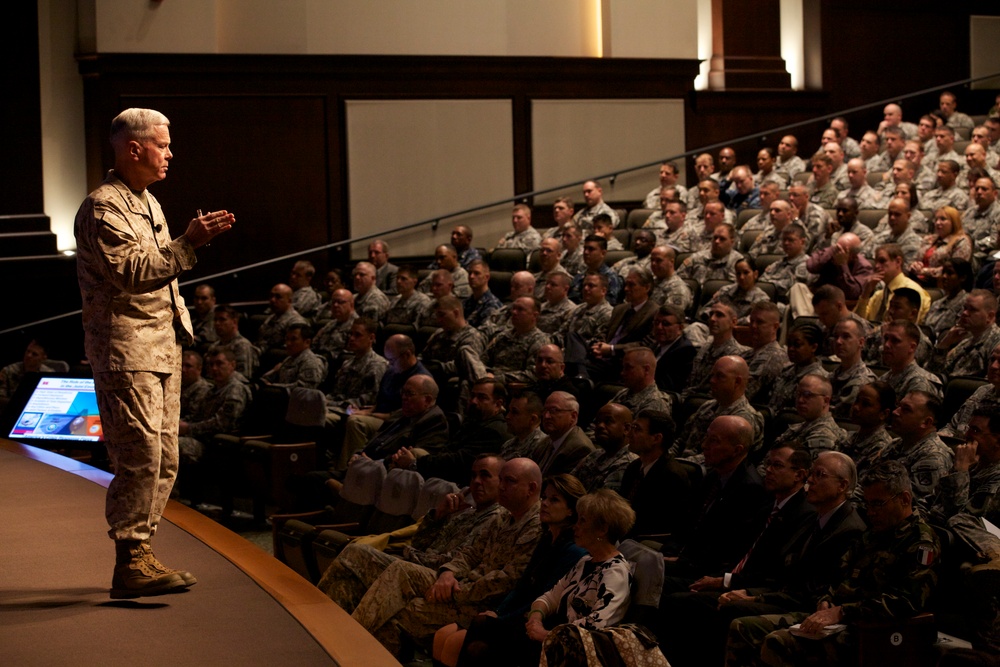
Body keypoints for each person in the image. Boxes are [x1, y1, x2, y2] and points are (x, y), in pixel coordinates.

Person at [74, 107, 234, 598]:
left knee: (165, 457)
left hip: (160, 346)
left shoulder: (149, 202)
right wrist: (191, 243)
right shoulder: (104, 208)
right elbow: (133, 273)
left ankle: (141, 553)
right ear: (134, 148)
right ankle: (130, 558)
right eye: (162, 145)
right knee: (139, 455)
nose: (170, 153)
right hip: (126, 349)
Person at [733, 462, 940, 667]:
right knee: (742, 627)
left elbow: (905, 603)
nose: (871, 512)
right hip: (837, 619)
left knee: (777, 642)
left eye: (877, 504)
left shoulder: (920, 542)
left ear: (904, 499)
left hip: (873, 629)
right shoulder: (873, 534)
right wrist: (827, 600)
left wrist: (842, 612)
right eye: (867, 504)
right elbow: (838, 574)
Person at [348, 458, 544, 656]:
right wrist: (448, 572)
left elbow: (508, 581)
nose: (501, 487)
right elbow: (470, 552)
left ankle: (348, 649)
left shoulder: (537, 526)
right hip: (459, 585)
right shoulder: (505, 516)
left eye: (509, 481)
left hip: (483, 605)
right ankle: (343, 643)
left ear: (531, 488)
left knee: (400, 609)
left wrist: (457, 592)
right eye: (500, 480)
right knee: (393, 574)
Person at [443, 474, 588, 667]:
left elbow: (545, 598)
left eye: (554, 500)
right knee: (476, 638)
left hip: (541, 623)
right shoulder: (546, 539)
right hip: (520, 615)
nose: (544, 503)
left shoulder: (573, 550)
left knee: (477, 639)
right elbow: (522, 586)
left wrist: (502, 619)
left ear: (571, 510)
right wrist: (497, 612)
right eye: (544, 497)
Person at [928, 289, 1000, 381]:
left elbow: (990, 384)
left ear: (989, 316)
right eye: (965, 308)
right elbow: (933, 374)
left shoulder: (997, 344)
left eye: (973, 310)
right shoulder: (966, 342)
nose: (965, 313)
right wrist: (944, 344)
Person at [855, 244, 931, 324]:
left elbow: (910, 328)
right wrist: (865, 294)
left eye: (882, 261)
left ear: (898, 262)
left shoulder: (913, 291)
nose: (877, 266)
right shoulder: (878, 295)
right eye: (876, 262)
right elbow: (858, 322)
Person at [571, 403, 637, 492]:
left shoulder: (629, 464)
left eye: (608, 421)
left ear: (626, 429)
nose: (600, 426)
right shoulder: (595, 454)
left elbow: (601, 503)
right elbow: (567, 484)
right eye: (598, 422)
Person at [767, 322, 829, 416]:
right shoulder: (786, 370)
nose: (791, 349)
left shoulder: (819, 378)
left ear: (813, 347)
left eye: (797, 345)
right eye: (789, 344)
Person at [878, 320, 944, 401]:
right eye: (886, 338)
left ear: (912, 347)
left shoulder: (920, 383)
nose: (887, 344)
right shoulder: (884, 378)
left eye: (895, 340)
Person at [910, 206, 973, 284]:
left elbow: (955, 269)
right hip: (917, 280)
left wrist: (924, 271)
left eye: (943, 219)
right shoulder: (928, 239)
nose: (937, 223)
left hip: (942, 284)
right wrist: (914, 265)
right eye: (936, 219)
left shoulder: (962, 241)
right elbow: (915, 259)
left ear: (953, 222)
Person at [828, 318, 876, 419]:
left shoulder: (865, 382)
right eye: (836, 336)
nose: (838, 342)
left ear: (861, 342)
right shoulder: (833, 375)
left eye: (846, 336)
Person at [260, 323, 327, 389]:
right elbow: (266, 379)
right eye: (287, 339)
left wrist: (274, 386)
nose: (288, 343)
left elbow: (304, 389)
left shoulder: (312, 362)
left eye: (293, 339)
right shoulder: (289, 359)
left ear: (307, 342)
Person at [924, 259, 974, 341]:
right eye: (943, 272)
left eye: (950, 273)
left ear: (963, 278)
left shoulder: (967, 304)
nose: (944, 276)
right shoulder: (936, 303)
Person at [0, 339, 54, 409]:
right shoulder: (8, 371)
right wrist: (20, 403)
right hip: (11, 409)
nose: (28, 355)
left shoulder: (48, 374)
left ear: (43, 358)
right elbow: (1, 398)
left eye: (34, 354)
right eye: (27, 351)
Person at [211, 305, 260, 379]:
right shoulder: (214, 346)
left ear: (234, 322)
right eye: (215, 320)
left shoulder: (242, 345)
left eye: (222, 319)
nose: (217, 323)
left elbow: (243, 377)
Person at [256, 283, 308, 352]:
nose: (272, 300)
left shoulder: (296, 322)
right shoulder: (271, 318)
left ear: (289, 301)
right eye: (271, 296)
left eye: (278, 297)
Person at [187, 284, 219, 353]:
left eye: (204, 298)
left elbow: (205, 338)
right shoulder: (193, 318)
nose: (199, 302)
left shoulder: (217, 318)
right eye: (197, 298)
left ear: (213, 300)